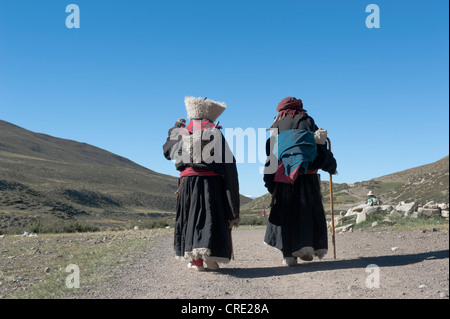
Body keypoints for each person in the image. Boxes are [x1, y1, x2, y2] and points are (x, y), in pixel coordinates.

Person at [163, 97, 240, 271]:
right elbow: (229, 164)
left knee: (190, 218)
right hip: (211, 182)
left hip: (187, 183)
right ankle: (211, 260)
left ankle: (196, 261)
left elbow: (168, 152)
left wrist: (174, 128)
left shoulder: (181, 132)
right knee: (210, 217)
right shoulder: (215, 132)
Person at [263, 96, 337, 266]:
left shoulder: (277, 124)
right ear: (299, 107)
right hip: (308, 177)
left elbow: (271, 156)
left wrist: (270, 183)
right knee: (307, 213)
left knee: (287, 214)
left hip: (285, 177)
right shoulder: (308, 120)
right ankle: (306, 248)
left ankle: (288, 256)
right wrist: (330, 165)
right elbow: (320, 147)